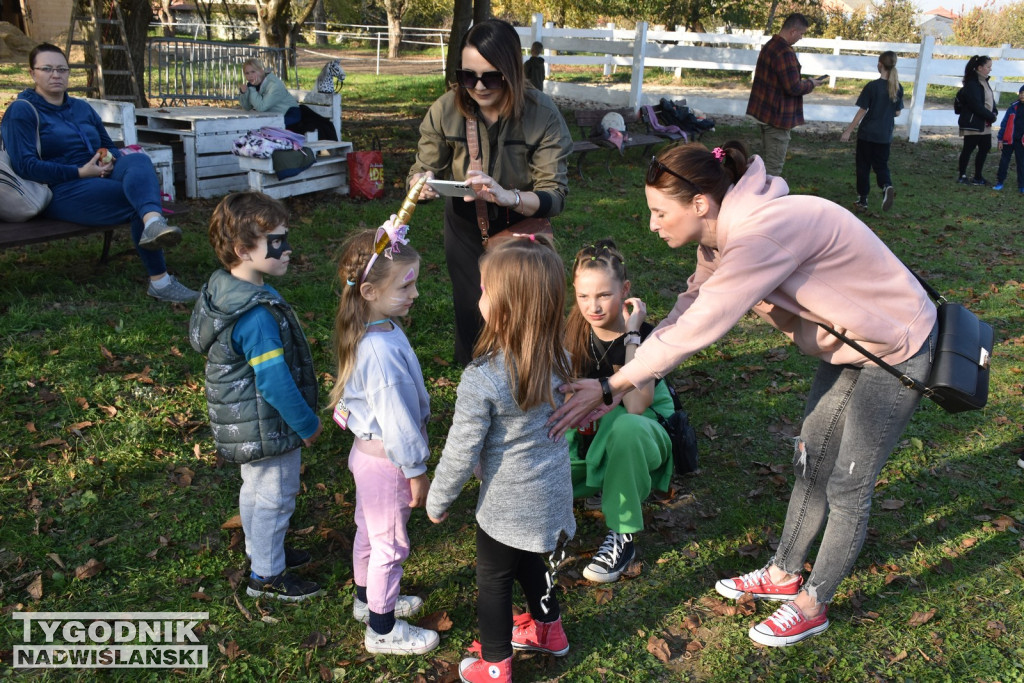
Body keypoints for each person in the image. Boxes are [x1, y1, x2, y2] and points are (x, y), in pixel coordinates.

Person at [549, 141, 937, 647]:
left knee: (846, 483)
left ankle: (813, 603)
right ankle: (783, 573)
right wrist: (630, 364)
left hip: (897, 349)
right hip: (851, 348)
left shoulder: (759, 234)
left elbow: (707, 322)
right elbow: (689, 307)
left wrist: (614, 382)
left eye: (659, 211)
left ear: (701, 205)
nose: (651, 224)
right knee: (812, 460)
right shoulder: (719, 240)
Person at [426, 235, 576, 682]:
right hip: (551, 498)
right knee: (535, 562)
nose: (480, 296)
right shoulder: (562, 359)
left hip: (505, 510)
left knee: (493, 582)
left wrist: (438, 499)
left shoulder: (483, 378)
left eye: (486, 289)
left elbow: (461, 448)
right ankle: (549, 631)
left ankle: (494, 666)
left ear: (505, 308)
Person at [408, 18, 573, 365]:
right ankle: (473, 376)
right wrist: (420, 185)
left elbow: (554, 194)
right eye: (468, 76)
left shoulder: (542, 115)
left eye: (491, 77)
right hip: (464, 219)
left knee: (521, 306)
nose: (478, 87)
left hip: (520, 218)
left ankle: (527, 373)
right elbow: (423, 167)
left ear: (512, 71)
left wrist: (508, 196)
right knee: (470, 303)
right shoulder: (445, 109)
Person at [188, 191, 323, 602]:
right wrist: (308, 424)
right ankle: (266, 577)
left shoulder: (226, 288)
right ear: (242, 249)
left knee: (256, 490)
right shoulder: (257, 317)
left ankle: (265, 552)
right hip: (267, 423)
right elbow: (275, 383)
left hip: (247, 422)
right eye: (276, 241)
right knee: (274, 498)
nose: (287, 248)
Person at [1, 43, 196, 303]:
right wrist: (81, 172)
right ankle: (161, 282)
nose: (56, 74)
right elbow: (26, 165)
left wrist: (107, 162)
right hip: (60, 188)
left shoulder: (81, 107)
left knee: (137, 159)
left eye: (61, 69)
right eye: (47, 69)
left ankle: (152, 224)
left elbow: (106, 144)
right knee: (134, 200)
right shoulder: (22, 111)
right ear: (32, 73)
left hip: (99, 173)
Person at [328, 222, 439, 656]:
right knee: (390, 545)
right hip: (389, 460)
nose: (414, 295)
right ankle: (382, 628)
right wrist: (416, 472)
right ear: (370, 292)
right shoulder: (379, 351)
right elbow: (397, 421)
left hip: (369, 455)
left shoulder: (380, 328)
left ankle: (364, 599)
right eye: (405, 287)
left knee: (369, 531)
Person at [564, 240, 673, 583]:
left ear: (625, 290)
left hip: (641, 439)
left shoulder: (646, 335)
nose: (593, 306)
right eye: (584, 296)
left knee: (624, 424)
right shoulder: (570, 334)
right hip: (587, 438)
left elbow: (637, 406)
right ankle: (578, 496)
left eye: (603, 295)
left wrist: (632, 335)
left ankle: (622, 534)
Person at [745, 13, 826, 176]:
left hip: (766, 114)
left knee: (765, 163)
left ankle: (758, 195)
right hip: (777, 118)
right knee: (773, 168)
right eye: (801, 34)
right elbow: (793, 87)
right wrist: (811, 84)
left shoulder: (770, 46)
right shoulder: (784, 52)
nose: (801, 38)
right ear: (793, 31)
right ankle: (769, 198)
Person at [840, 51, 904, 213]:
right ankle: (886, 185)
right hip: (884, 135)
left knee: (863, 167)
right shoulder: (898, 88)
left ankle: (863, 200)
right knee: (881, 165)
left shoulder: (872, 87)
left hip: (867, 134)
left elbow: (862, 110)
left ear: (880, 65)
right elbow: (897, 112)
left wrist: (848, 130)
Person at [238, 57, 338, 141]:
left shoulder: (274, 85)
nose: (250, 76)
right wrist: (244, 93)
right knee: (253, 127)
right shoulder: (254, 84)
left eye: (253, 72)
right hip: (274, 115)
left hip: (290, 114)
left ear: (261, 71)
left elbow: (261, 107)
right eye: (247, 73)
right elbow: (246, 107)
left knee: (264, 128)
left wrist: (251, 90)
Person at [956, 55, 998, 186]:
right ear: (980, 68)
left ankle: (978, 176)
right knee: (968, 148)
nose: (990, 69)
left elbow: (989, 99)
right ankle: (962, 175)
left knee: (985, 147)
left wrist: (994, 111)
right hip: (973, 123)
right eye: (988, 67)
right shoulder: (973, 84)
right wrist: (990, 116)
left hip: (984, 123)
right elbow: (976, 105)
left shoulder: (984, 81)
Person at [993, 84, 1024, 193]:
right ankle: (1000, 182)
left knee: (1021, 163)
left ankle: (1022, 185)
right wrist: (1000, 139)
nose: (1022, 95)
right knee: (1004, 162)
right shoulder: (1012, 107)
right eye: (1021, 93)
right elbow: (1004, 123)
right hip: (1008, 140)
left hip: (1021, 143)